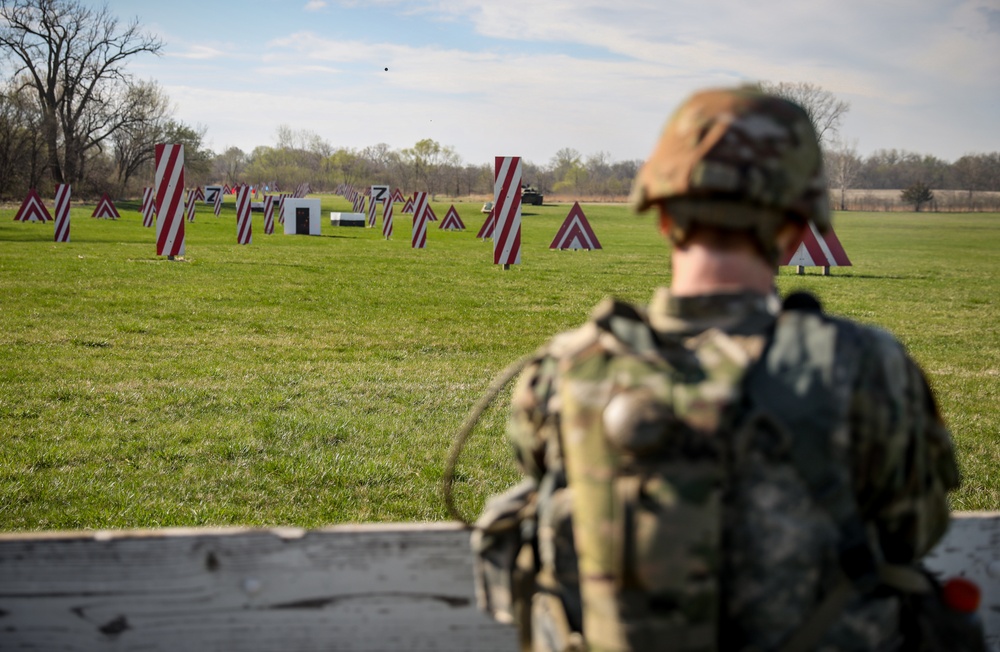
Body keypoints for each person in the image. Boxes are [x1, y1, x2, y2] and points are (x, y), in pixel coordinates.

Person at [471, 87, 964, 651]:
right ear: (797, 222)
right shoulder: (870, 369)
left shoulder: (564, 372)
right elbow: (915, 531)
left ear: (661, 214)